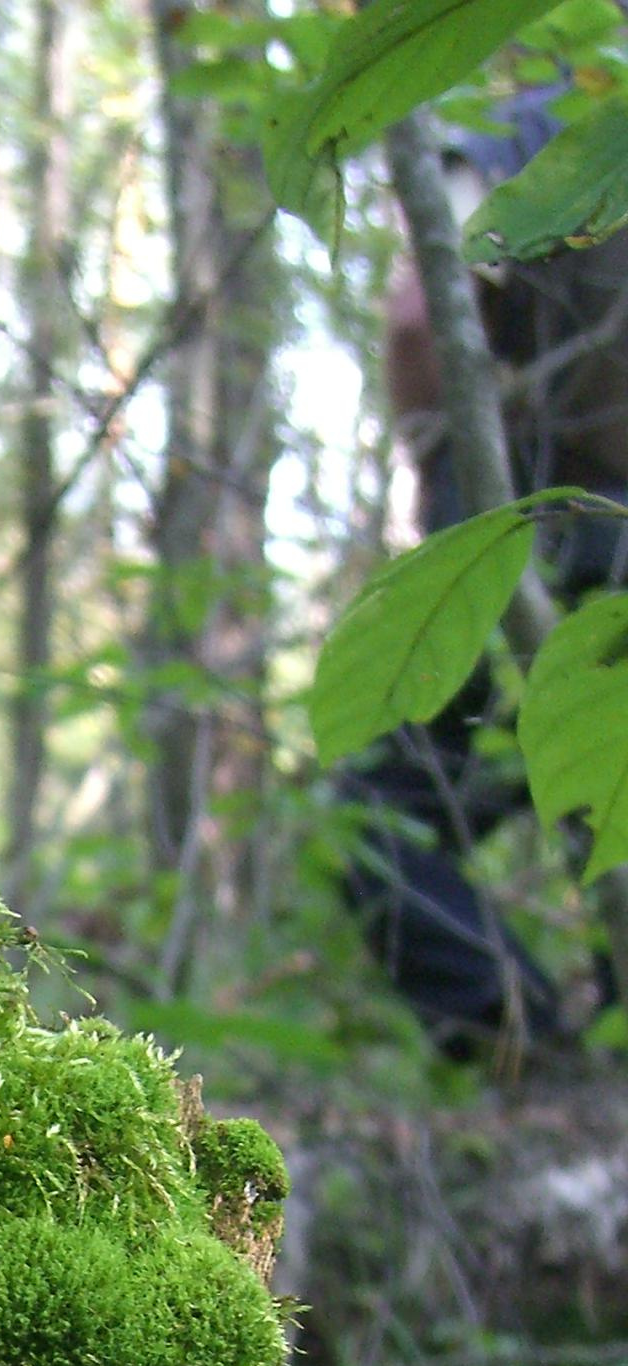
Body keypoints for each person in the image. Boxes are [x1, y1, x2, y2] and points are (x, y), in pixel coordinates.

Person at [344, 93, 628, 1051]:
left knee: (379, 820)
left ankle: (531, 1057)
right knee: (607, 799)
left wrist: (446, 468)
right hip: (589, 534)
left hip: (544, 523)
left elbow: (424, 319)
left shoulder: (554, 121)